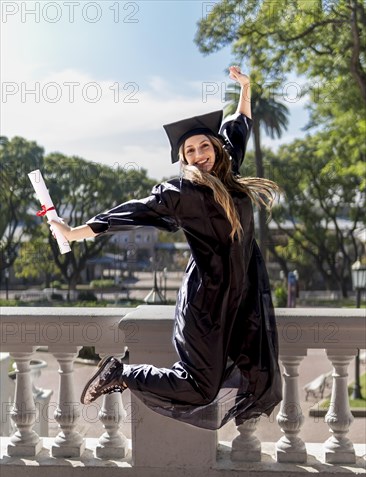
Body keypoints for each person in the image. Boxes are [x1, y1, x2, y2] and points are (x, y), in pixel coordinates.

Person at [50, 66, 282, 430]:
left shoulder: (229, 167)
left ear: (215, 147)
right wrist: (74, 231)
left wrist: (247, 88)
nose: (199, 153)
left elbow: (241, 123)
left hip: (241, 298)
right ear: (184, 158)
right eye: (190, 150)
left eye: (204, 145)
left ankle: (125, 373)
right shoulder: (183, 194)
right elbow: (131, 213)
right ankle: (123, 373)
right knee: (201, 389)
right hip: (206, 304)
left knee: (260, 373)